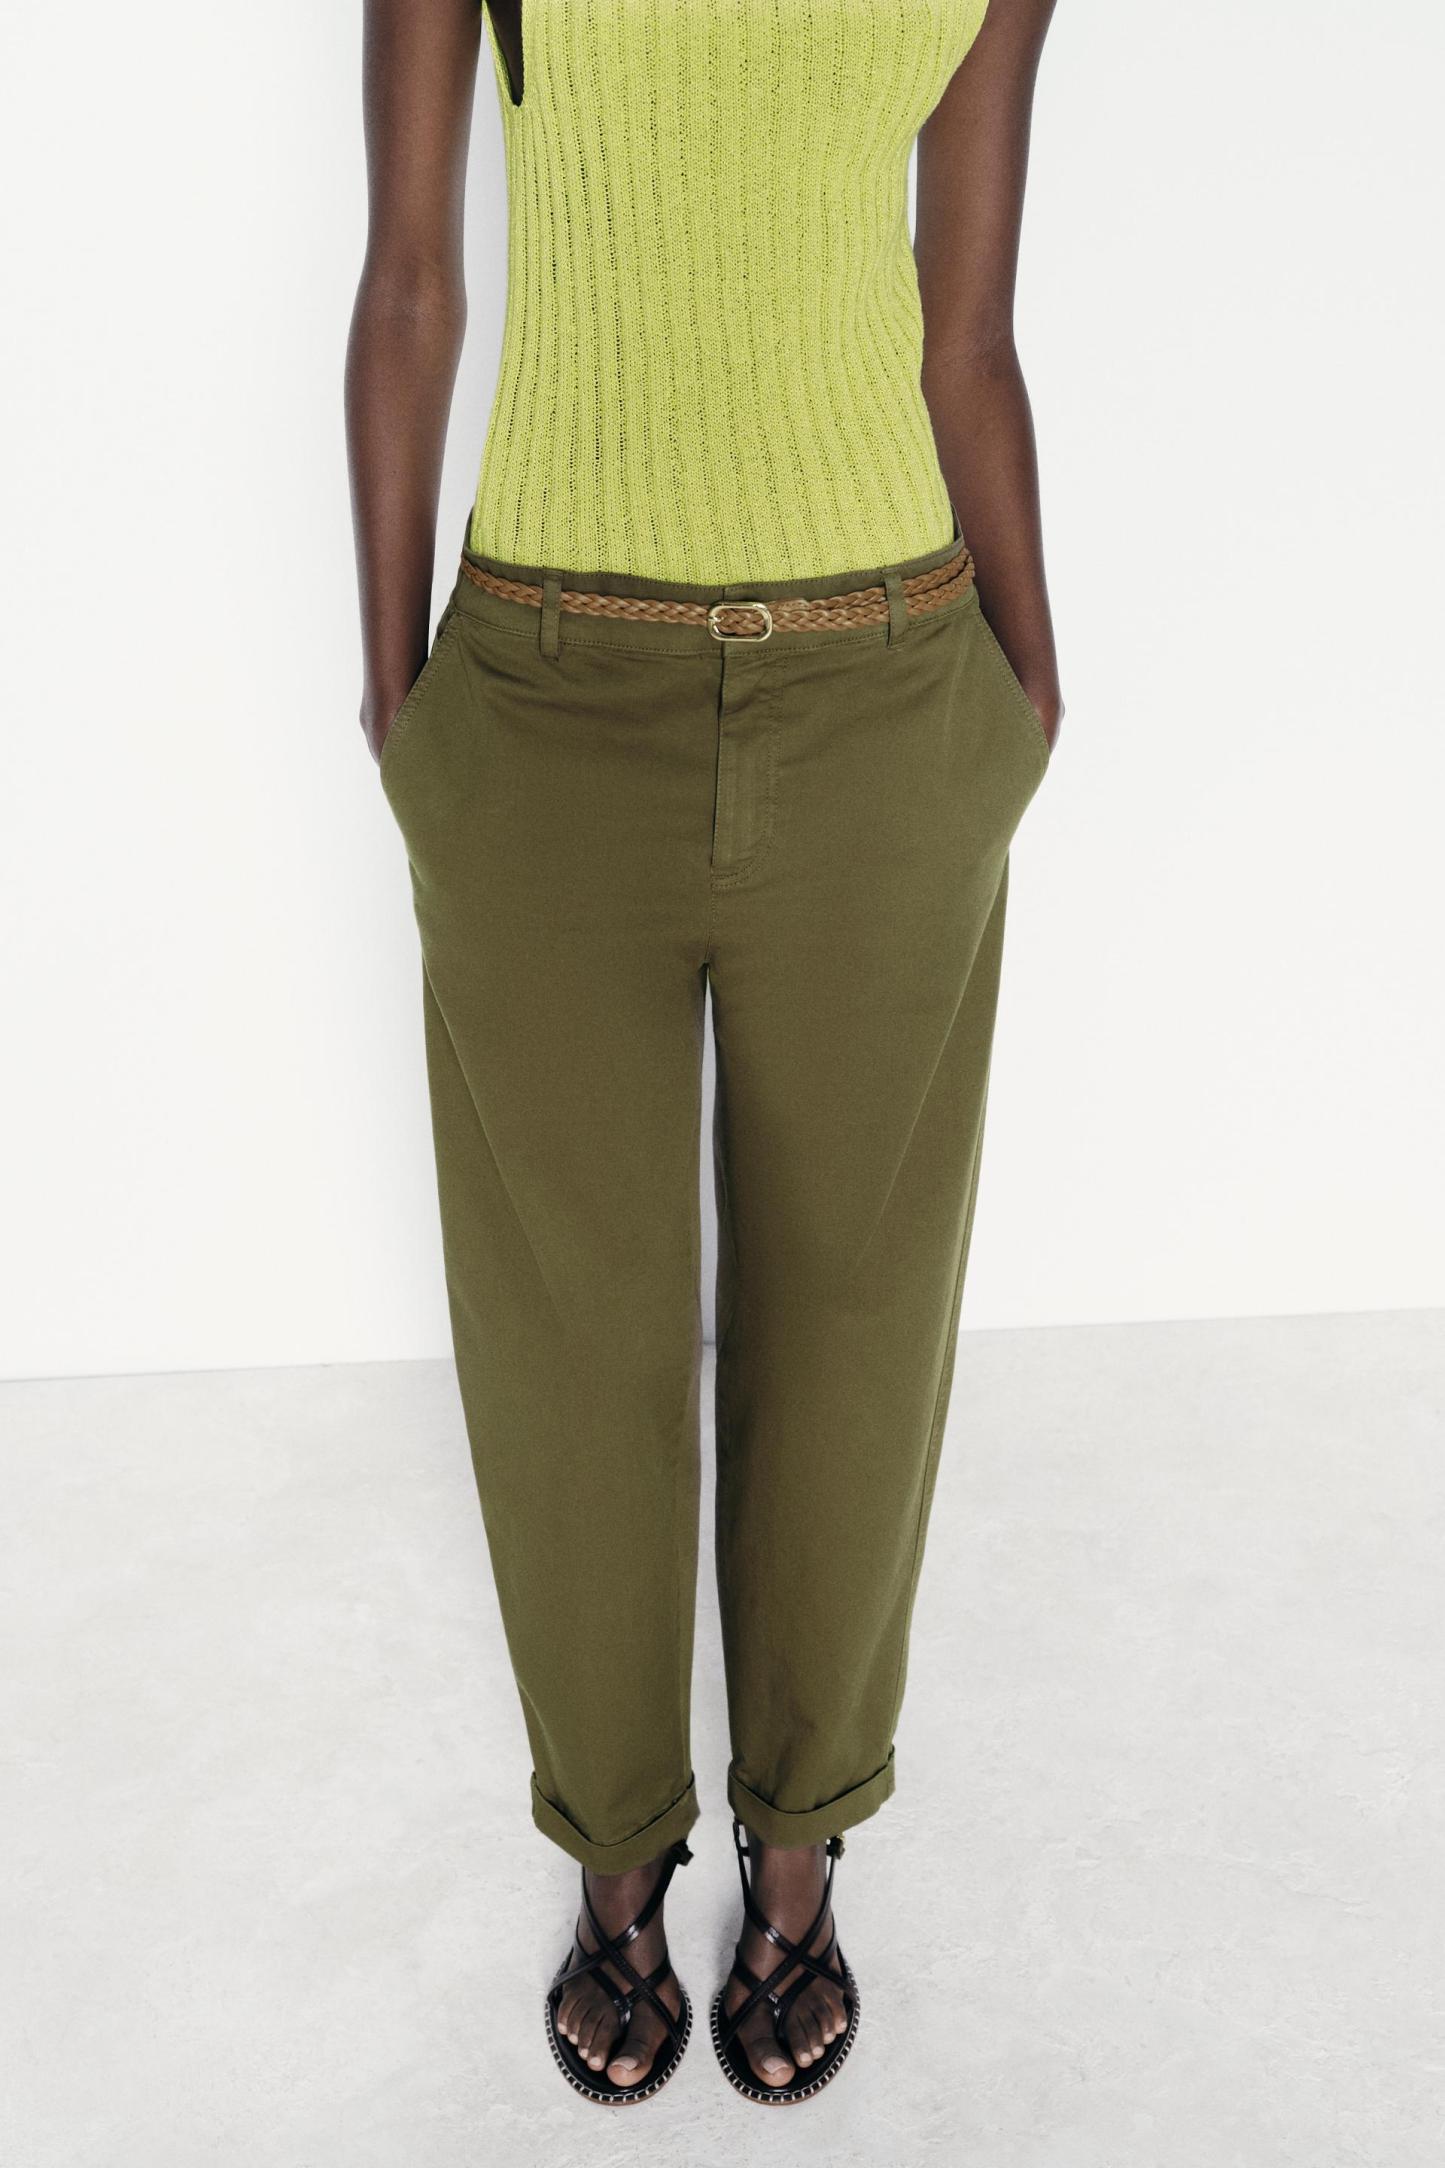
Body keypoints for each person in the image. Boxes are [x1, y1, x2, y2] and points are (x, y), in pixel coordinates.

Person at [346, 0, 1063, 2109]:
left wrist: (1028, 688)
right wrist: (399, 703)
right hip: (543, 698)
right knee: (574, 1336)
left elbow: (966, 332)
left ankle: (802, 1843)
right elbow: (409, 281)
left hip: (887, 696)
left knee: (854, 1315)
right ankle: (615, 1848)